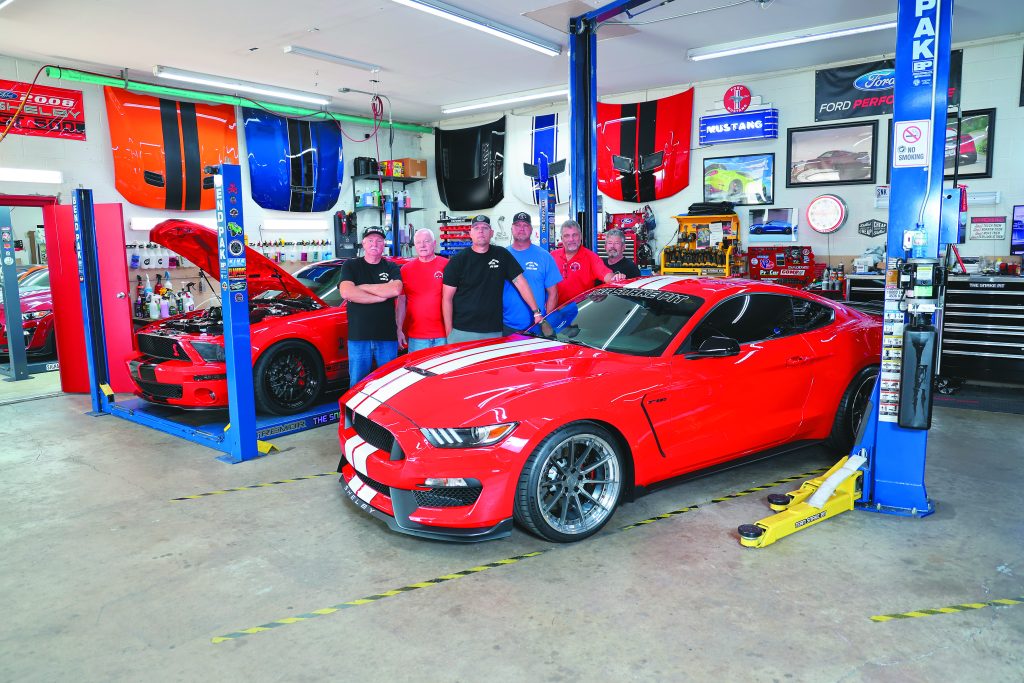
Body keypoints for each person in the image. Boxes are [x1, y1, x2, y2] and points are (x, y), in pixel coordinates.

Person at [442, 214, 545, 343]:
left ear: (491, 233)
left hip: (492, 331)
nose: (481, 231)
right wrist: (449, 332)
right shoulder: (458, 260)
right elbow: (447, 298)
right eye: (476, 228)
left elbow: (521, 282)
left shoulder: (501, 254)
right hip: (462, 331)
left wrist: (536, 312)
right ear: (470, 233)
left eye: (485, 228)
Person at [338, 226, 403, 386]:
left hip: (387, 337)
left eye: (379, 240)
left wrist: (361, 287)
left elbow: (395, 289)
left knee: (388, 384)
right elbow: (346, 292)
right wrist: (381, 297)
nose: (375, 243)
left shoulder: (391, 267)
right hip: (359, 337)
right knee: (357, 384)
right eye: (371, 240)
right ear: (363, 243)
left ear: (383, 245)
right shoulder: (351, 265)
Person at [502, 212, 562, 336]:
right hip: (507, 325)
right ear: (512, 229)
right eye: (518, 225)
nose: (521, 228)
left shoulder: (544, 256)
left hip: (536, 326)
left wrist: (546, 321)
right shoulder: (502, 255)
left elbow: (553, 293)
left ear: (531, 229)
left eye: (525, 225)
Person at [396, 228, 448, 353]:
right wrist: (399, 329)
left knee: (443, 372)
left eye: (426, 241)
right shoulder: (405, 270)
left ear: (434, 243)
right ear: (415, 245)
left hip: (444, 335)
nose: (423, 245)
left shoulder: (447, 265)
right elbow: (401, 302)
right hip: (417, 337)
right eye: (419, 242)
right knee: (417, 372)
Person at [551, 219, 624, 305]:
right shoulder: (552, 256)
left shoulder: (591, 257)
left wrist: (616, 278)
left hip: (580, 312)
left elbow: (607, 275)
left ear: (581, 236)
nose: (571, 239)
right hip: (555, 311)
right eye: (567, 236)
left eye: (575, 235)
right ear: (561, 238)